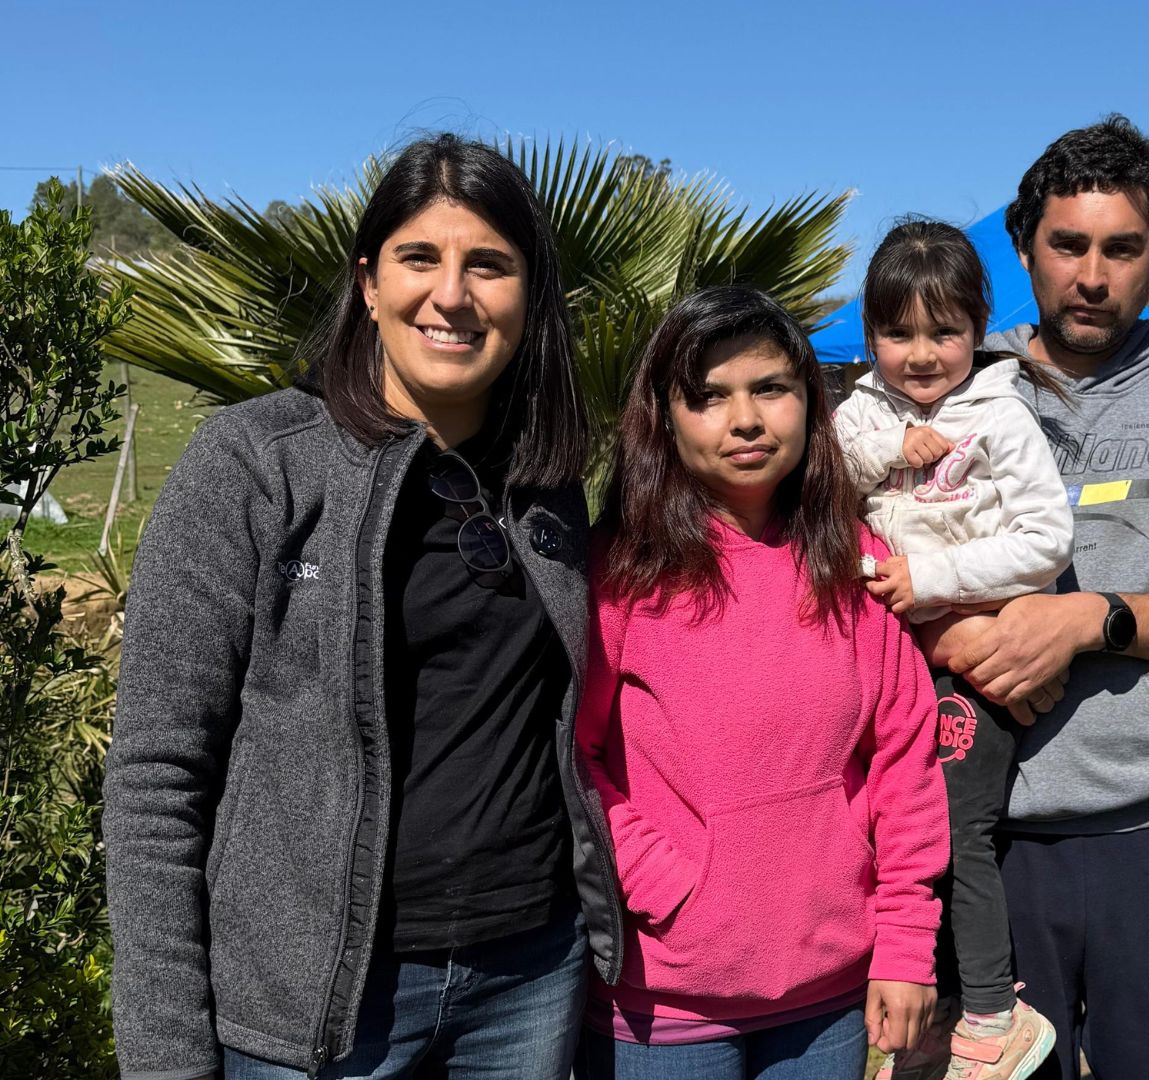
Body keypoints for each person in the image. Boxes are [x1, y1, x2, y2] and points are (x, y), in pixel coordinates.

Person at [106, 133, 621, 1079]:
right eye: (419, 257)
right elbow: (155, 777)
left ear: (528, 295)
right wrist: (166, 1053)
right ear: (369, 282)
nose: (453, 295)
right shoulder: (257, 463)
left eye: (490, 266)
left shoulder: (550, 484)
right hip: (312, 1012)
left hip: (530, 978)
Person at [914, 116, 1149, 1080]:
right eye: (1067, 245)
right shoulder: (947, 382)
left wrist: (1092, 619)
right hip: (986, 852)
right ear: (1024, 247)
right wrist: (963, 633)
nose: (1093, 274)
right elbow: (855, 556)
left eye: (1123, 249)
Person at [573, 285, 948, 1080]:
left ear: (810, 402)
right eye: (709, 397)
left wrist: (908, 944)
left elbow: (904, 759)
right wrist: (663, 879)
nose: (745, 420)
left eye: (769, 388)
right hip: (665, 1005)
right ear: (665, 418)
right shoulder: (618, 574)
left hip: (827, 995)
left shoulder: (852, 561)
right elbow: (572, 756)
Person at [832, 219, 1072, 1080]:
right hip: (889, 662)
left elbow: (1047, 541)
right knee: (884, 832)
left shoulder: (1000, 417)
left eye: (945, 331)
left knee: (953, 831)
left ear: (979, 327)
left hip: (972, 662)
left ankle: (989, 1015)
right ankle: (930, 1011)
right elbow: (820, 480)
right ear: (870, 337)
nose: (922, 354)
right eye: (898, 333)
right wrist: (889, 448)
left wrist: (929, 579)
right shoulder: (861, 413)